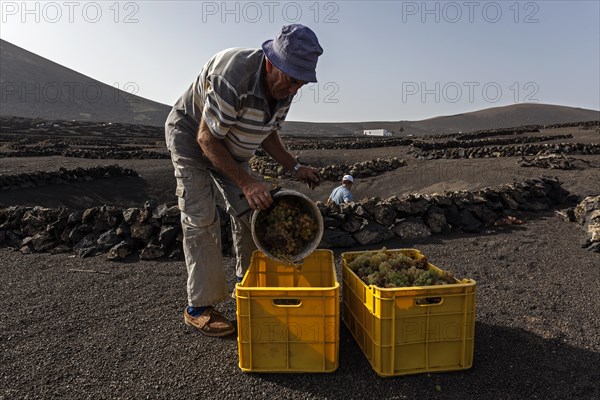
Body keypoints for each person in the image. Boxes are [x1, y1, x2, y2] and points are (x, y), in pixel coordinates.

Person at [164, 24, 323, 337]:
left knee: (253, 212)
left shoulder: (284, 90)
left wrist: (295, 167)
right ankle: (199, 307)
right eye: (292, 80)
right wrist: (247, 183)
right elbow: (207, 140)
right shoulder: (232, 74)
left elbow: (268, 134)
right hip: (193, 138)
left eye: (301, 84)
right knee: (201, 218)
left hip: (230, 149)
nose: (294, 89)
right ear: (270, 63)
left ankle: (247, 288)